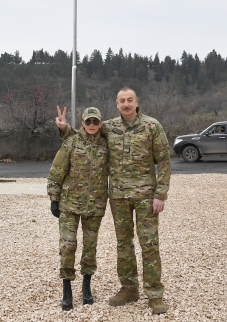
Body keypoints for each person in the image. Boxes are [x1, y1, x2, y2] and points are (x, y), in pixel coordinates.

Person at [56, 87, 171, 315]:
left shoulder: (152, 126)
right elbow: (86, 136)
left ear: (137, 102)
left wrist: (161, 194)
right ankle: (129, 288)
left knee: (149, 244)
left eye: (130, 100)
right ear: (117, 104)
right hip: (118, 197)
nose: (126, 104)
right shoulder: (109, 127)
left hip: (145, 197)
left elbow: (164, 161)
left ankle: (155, 295)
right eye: (122, 101)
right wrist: (65, 129)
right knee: (124, 244)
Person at [47, 107, 109, 311]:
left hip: (95, 205)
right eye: (88, 122)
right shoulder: (71, 143)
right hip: (69, 204)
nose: (91, 125)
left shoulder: (106, 145)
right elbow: (57, 171)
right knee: (68, 246)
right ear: (82, 123)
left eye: (95, 122)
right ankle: (67, 289)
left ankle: (87, 287)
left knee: (90, 248)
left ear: (100, 124)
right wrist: (54, 199)